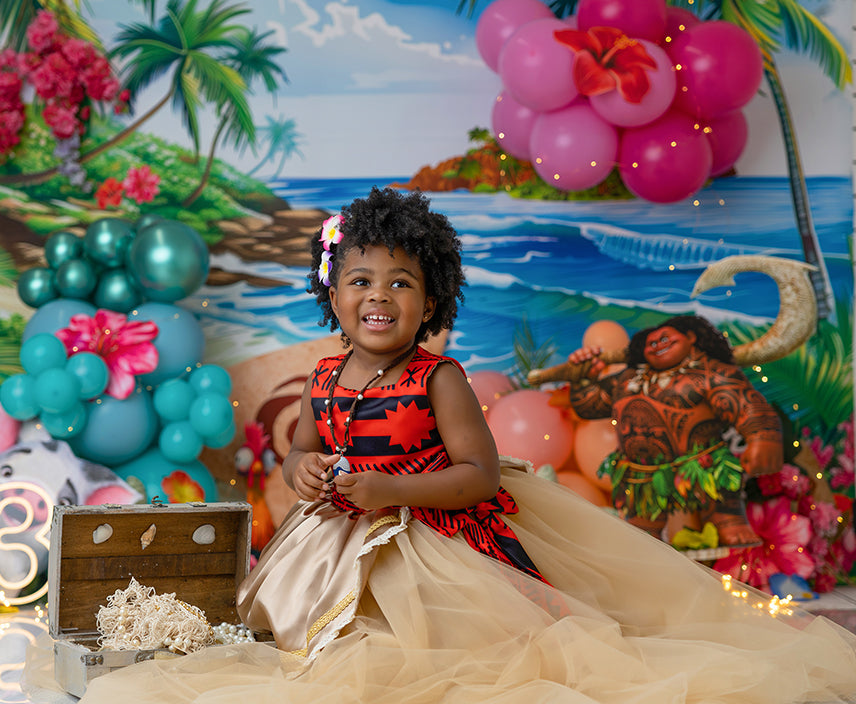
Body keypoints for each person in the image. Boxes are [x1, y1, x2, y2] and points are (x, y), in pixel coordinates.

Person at [67, 188, 856, 704]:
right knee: (294, 651)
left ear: (432, 299)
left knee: (439, 662)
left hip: (431, 537)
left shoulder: (437, 379)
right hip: (332, 544)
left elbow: (478, 478)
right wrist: (306, 466)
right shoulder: (326, 374)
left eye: (401, 282)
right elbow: (304, 448)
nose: (379, 296)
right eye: (360, 280)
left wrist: (392, 492)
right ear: (332, 296)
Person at [568, 315, 783, 549]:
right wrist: (581, 381)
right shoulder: (629, 378)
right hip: (643, 477)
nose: (658, 344)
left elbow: (744, 404)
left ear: (691, 337)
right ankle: (644, 539)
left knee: (724, 514)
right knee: (641, 539)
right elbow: (591, 406)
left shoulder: (710, 372)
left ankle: (729, 520)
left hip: (702, 467)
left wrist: (763, 438)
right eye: (651, 343)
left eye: (665, 338)